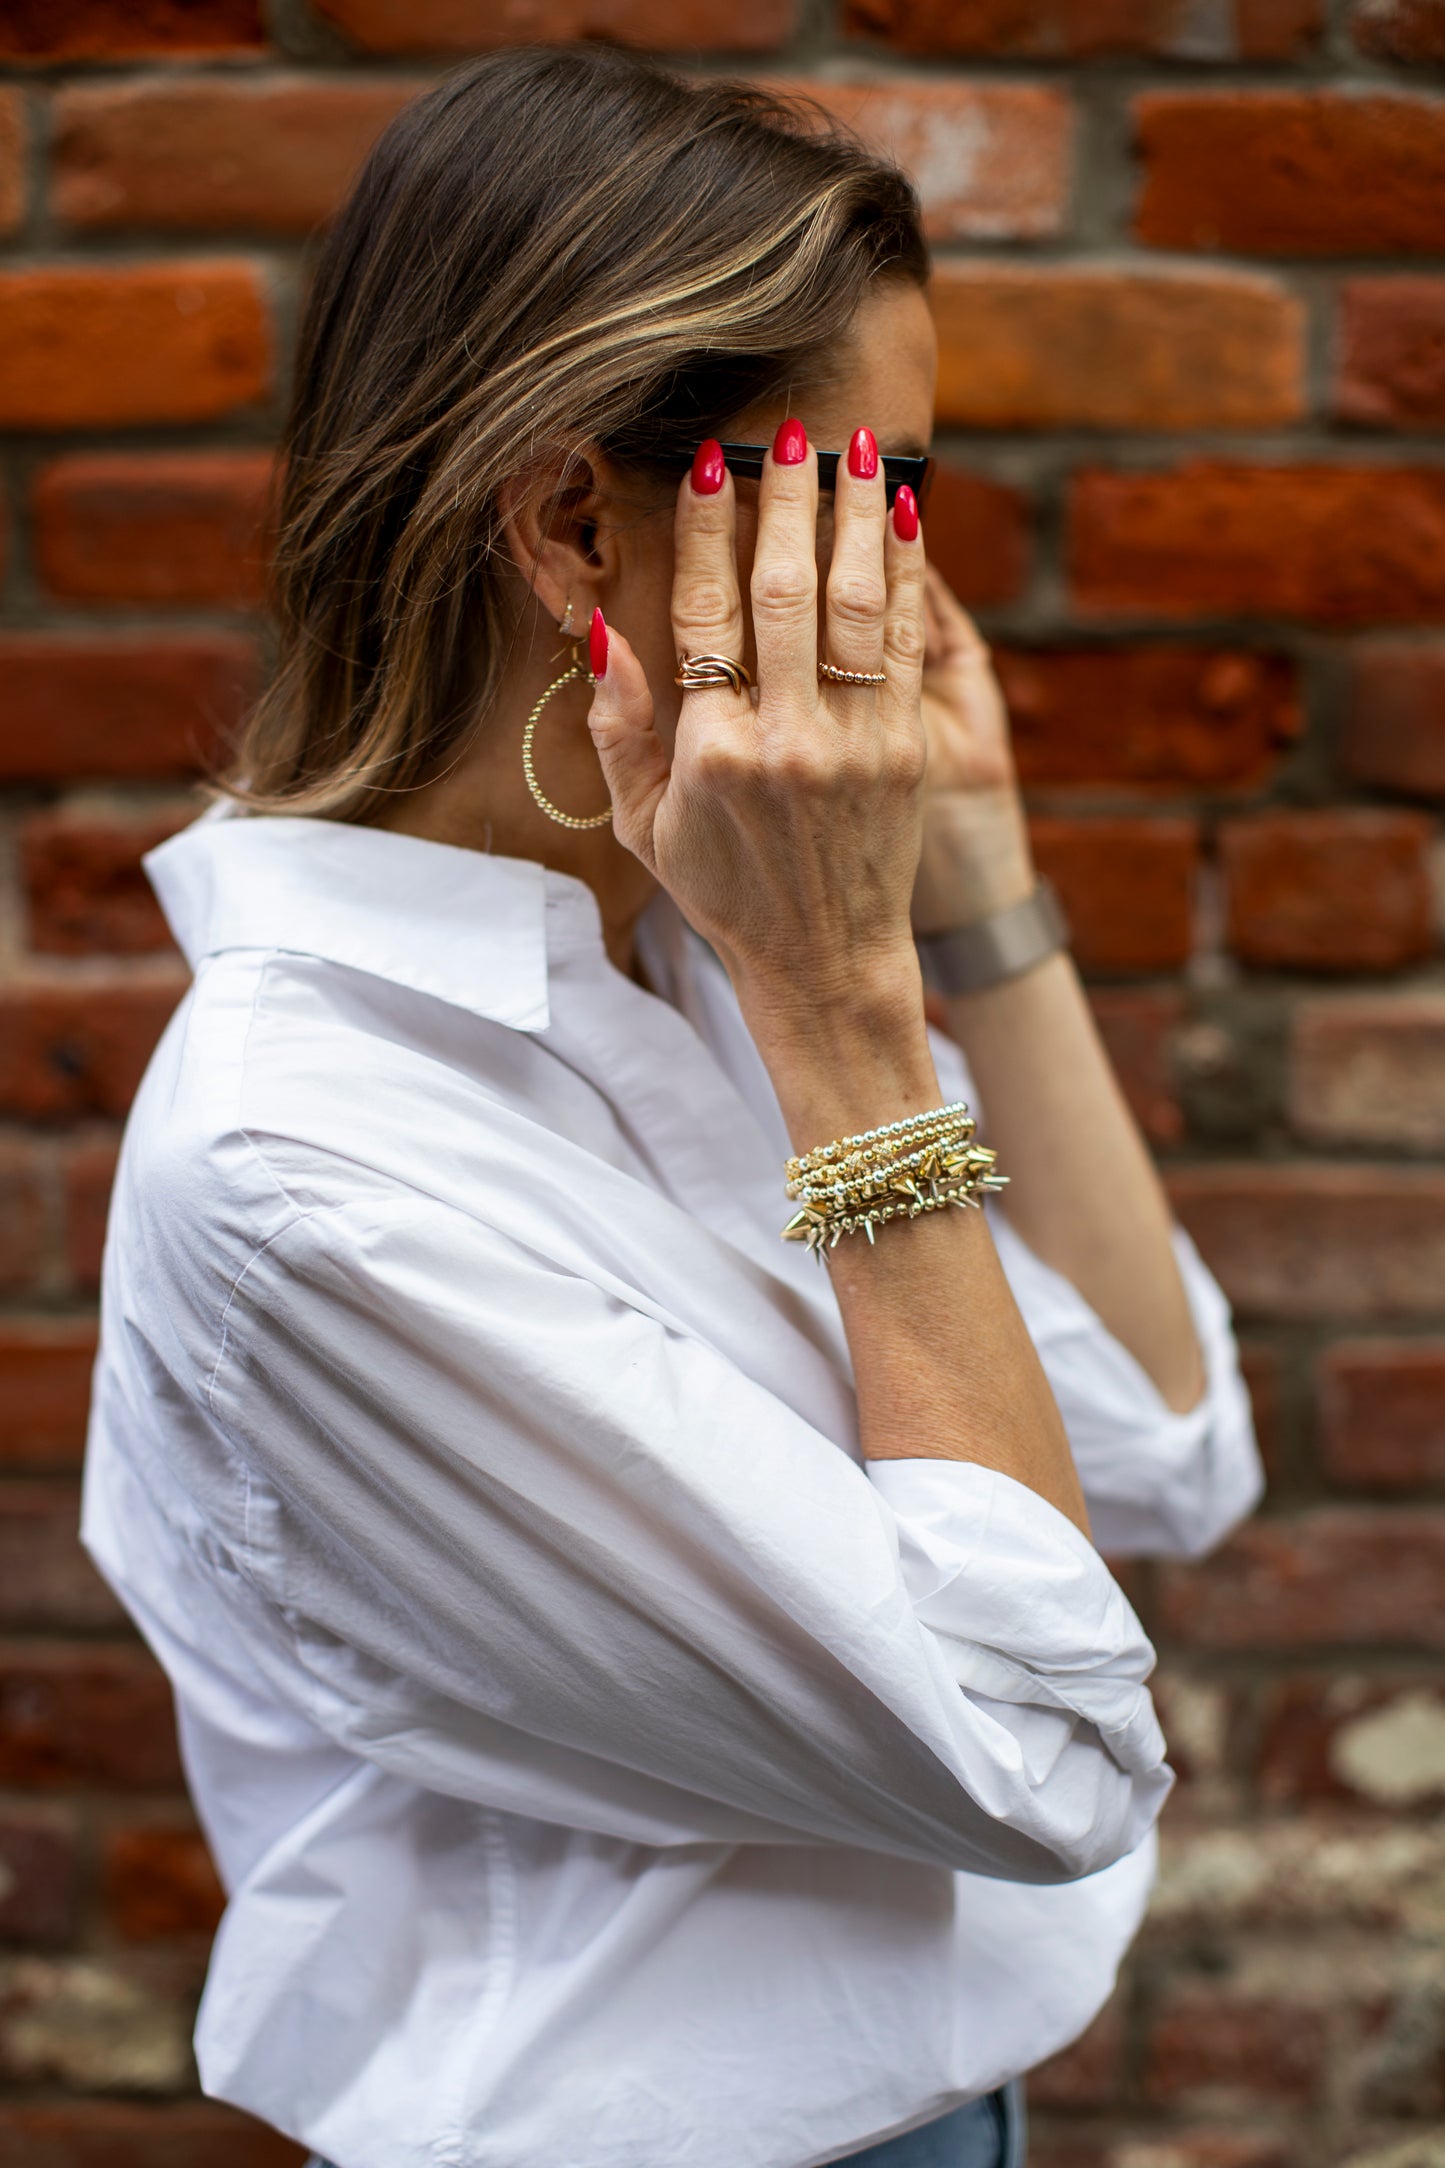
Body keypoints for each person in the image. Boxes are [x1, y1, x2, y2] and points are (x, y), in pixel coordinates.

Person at [81, 45, 1264, 2168]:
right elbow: (1040, 1746)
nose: (905, 576)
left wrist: (975, 894)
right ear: (570, 525)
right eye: (875, 488)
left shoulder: (682, 947)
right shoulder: (306, 1166)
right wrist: (841, 998)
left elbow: (1166, 1452)